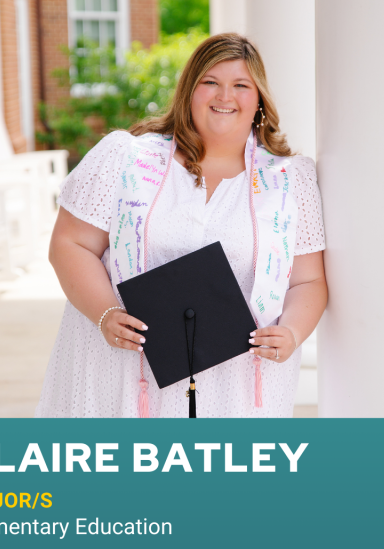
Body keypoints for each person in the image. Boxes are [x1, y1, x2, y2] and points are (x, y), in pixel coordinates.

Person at [35, 33, 327, 418]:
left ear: (259, 100)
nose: (225, 97)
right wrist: (106, 313)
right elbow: (70, 244)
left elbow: (309, 280)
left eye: (241, 85)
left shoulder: (290, 180)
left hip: (232, 384)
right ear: (189, 90)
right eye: (210, 82)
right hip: (124, 368)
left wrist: (291, 332)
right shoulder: (124, 156)